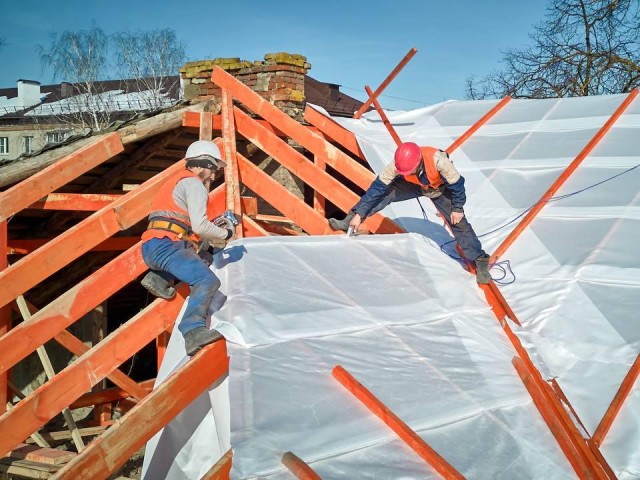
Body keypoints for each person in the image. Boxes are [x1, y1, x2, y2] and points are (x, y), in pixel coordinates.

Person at [329, 142, 491, 284]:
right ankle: (350, 220)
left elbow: (458, 185)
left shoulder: (438, 161)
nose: (404, 173)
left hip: (438, 189)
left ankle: (479, 259)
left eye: (408, 171)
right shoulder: (397, 165)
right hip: (414, 185)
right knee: (384, 194)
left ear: (418, 163)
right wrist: (359, 214)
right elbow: (376, 189)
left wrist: (457, 208)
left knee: (458, 222)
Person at [140, 140, 236, 356]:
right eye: (213, 170)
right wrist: (226, 233)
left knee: (204, 257)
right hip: (166, 247)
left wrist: (207, 247)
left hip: (152, 246)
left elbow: (181, 225)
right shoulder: (194, 185)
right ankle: (193, 332)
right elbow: (200, 226)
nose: (213, 177)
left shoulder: (175, 181)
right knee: (208, 280)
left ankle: (158, 278)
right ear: (203, 164)